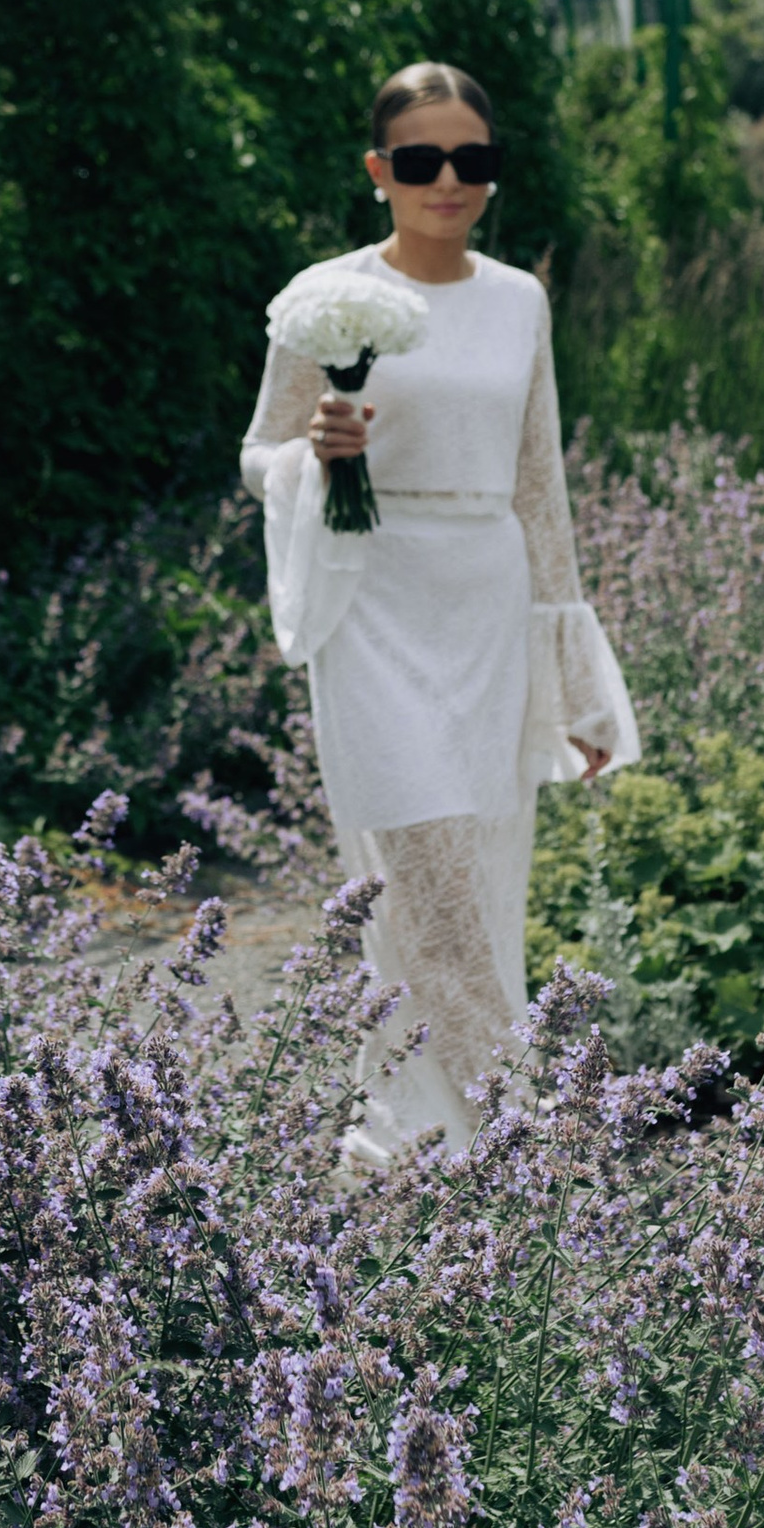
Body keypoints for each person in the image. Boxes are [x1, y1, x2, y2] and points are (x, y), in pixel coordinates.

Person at [240, 60, 638, 1165]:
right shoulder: (321, 297)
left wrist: (571, 681)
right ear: (379, 172)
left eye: (473, 159)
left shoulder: (519, 299)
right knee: (422, 878)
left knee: (481, 877)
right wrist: (313, 456)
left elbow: (537, 482)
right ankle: (527, 1141)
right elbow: (257, 452)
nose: (448, 180)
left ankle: (411, 1141)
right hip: (369, 608)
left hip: (486, 606)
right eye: (421, 161)